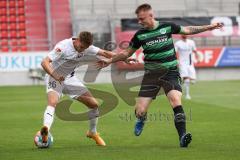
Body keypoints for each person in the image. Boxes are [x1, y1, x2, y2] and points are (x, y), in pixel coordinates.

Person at [97, 3, 223, 147]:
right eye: (138, 19)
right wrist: (109, 61)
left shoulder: (167, 26)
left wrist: (210, 27)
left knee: (175, 100)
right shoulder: (140, 35)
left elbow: (188, 29)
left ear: (151, 15)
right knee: (140, 111)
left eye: (141, 18)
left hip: (170, 72)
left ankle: (182, 136)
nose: (139, 22)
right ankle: (141, 118)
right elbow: (126, 53)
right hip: (151, 75)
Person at [39, 31, 116, 146]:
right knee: (53, 102)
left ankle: (92, 132)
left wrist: (124, 58)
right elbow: (44, 62)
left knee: (94, 105)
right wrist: (55, 75)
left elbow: (105, 53)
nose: (82, 50)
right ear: (77, 40)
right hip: (54, 77)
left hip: (70, 80)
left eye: (85, 48)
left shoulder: (86, 48)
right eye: (81, 47)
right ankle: (45, 130)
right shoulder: (63, 47)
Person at [175, 35, 198, 100]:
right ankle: (187, 95)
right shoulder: (178, 43)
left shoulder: (191, 42)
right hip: (182, 63)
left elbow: (195, 50)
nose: (185, 35)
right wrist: (177, 61)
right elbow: (175, 52)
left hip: (190, 63)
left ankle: (181, 81)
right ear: (181, 35)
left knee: (193, 81)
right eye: (183, 34)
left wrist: (198, 56)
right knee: (187, 80)